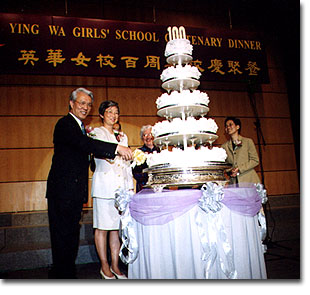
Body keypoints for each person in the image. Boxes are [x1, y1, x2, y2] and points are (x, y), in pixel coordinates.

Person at [46, 88, 132, 279]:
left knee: (69, 238)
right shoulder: (66, 124)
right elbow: (86, 145)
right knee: (62, 238)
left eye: (88, 104)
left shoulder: (81, 128)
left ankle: (66, 275)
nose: (85, 107)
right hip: (62, 192)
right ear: (71, 103)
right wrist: (116, 147)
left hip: (73, 193)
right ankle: (61, 277)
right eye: (81, 103)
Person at [91, 100, 133, 279]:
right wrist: (118, 150)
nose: (113, 115)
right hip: (103, 187)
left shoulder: (122, 136)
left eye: (116, 112)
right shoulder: (96, 133)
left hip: (120, 189)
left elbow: (126, 165)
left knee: (115, 229)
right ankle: (104, 265)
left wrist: (129, 187)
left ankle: (116, 265)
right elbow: (100, 152)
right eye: (109, 112)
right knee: (102, 228)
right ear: (101, 115)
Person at [221, 116, 261, 184]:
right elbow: (225, 165)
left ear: (237, 127)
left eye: (230, 125)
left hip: (249, 180)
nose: (228, 127)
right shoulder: (224, 146)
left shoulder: (248, 142)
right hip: (234, 182)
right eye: (226, 126)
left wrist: (239, 169)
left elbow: (255, 160)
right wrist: (231, 171)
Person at [132, 125, 160, 192]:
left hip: (160, 188)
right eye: (145, 135)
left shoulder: (161, 151)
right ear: (142, 138)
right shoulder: (138, 153)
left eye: (150, 134)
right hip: (144, 189)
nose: (148, 137)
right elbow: (136, 174)